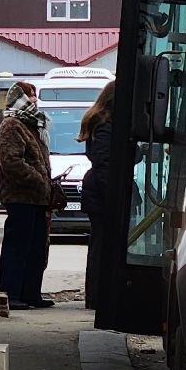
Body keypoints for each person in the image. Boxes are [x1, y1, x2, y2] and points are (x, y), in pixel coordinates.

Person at [0, 81, 59, 310]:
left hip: (37, 198)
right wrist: (39, 179)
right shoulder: (12, 124)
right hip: (21, 197)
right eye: (29, 95)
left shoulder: (33, 124)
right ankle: (11, 294)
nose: (34, 99)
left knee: (35, 247)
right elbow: (12, 161)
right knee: (17, 247)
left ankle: (30, 293)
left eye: (34, 94)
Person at [77, 80, 117, 310]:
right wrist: (112, 195)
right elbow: (104, 161)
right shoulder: (105, 123)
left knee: (99, 246)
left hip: (98, 191)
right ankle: (96, 297)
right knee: (101, 248)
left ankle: (96, 296)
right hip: (102, 193)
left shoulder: (100, 120)